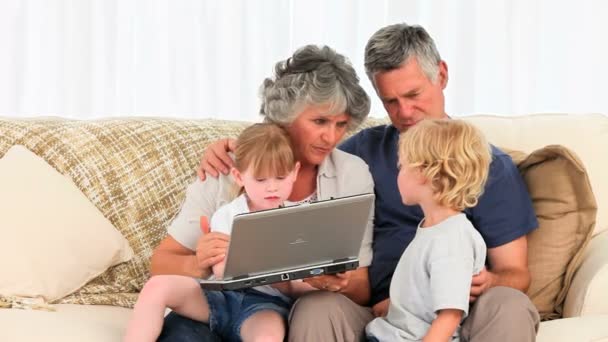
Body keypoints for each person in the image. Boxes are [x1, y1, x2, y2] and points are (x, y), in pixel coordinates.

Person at [199, 23, 541, 341]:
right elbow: (294, 154)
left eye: (414, 94)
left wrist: (491, 281)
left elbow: (516, 273)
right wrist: (236, 151)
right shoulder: (361, 153)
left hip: (454, 307)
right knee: (317, 308)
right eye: (391, 101)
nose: (405, 112)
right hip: (373, 311)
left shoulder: (489, 166)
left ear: (442, 75)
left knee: (509, 303)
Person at [150, 44, 375, 342]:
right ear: (285, 116)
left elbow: (361, 285)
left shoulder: (351, 173)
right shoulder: (229, 165)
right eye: (319, 121)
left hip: (287, 313)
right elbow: (161, 263)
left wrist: (333, 282)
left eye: (341, 125)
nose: (331, 137)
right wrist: (199, 263)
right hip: (222, 305)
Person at [124, 123, 307, 342]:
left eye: (280, 178)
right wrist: (272, 265)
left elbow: (300, 284)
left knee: (268, 336)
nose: (272, 188)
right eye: (260, 179)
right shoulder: (228, 214)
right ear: (239, 177)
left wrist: (277, 275)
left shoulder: (298, 220)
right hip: (220, 297)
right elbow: (222, 270)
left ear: (294, 172)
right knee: (157, 286)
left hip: (264, 306)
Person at [365, 119, 490, 341]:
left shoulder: (452, 238)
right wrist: (396, 306)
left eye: (401, 166)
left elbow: (450, 315)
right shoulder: (433, 229)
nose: (398, 174)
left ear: (424, 172)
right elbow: (425, 289)